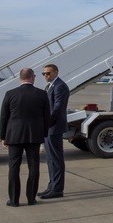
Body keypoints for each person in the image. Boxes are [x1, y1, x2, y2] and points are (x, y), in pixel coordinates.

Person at [0, 67, 51, 207]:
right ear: (33, 77)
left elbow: (4, 117)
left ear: (20, 78)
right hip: (34, 136)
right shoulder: (41, 94)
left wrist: (3, 136)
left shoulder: (10, 94)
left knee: (14, 167)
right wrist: (43, 134)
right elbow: (47, 117)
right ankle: (31, 198)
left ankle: (14, 199)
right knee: (33, 166)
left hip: (14, 135)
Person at [39, 63, 70, 200]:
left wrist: (47, 123)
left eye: (48, 73)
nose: (46, 76)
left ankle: (57, 189)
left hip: (54, 127)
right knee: (50, 159)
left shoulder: (60, 86)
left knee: (56, 159)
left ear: (56, 73)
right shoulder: (51, 86)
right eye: (44, 74)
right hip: (49, 128)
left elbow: (57, 108)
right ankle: (51, 186)